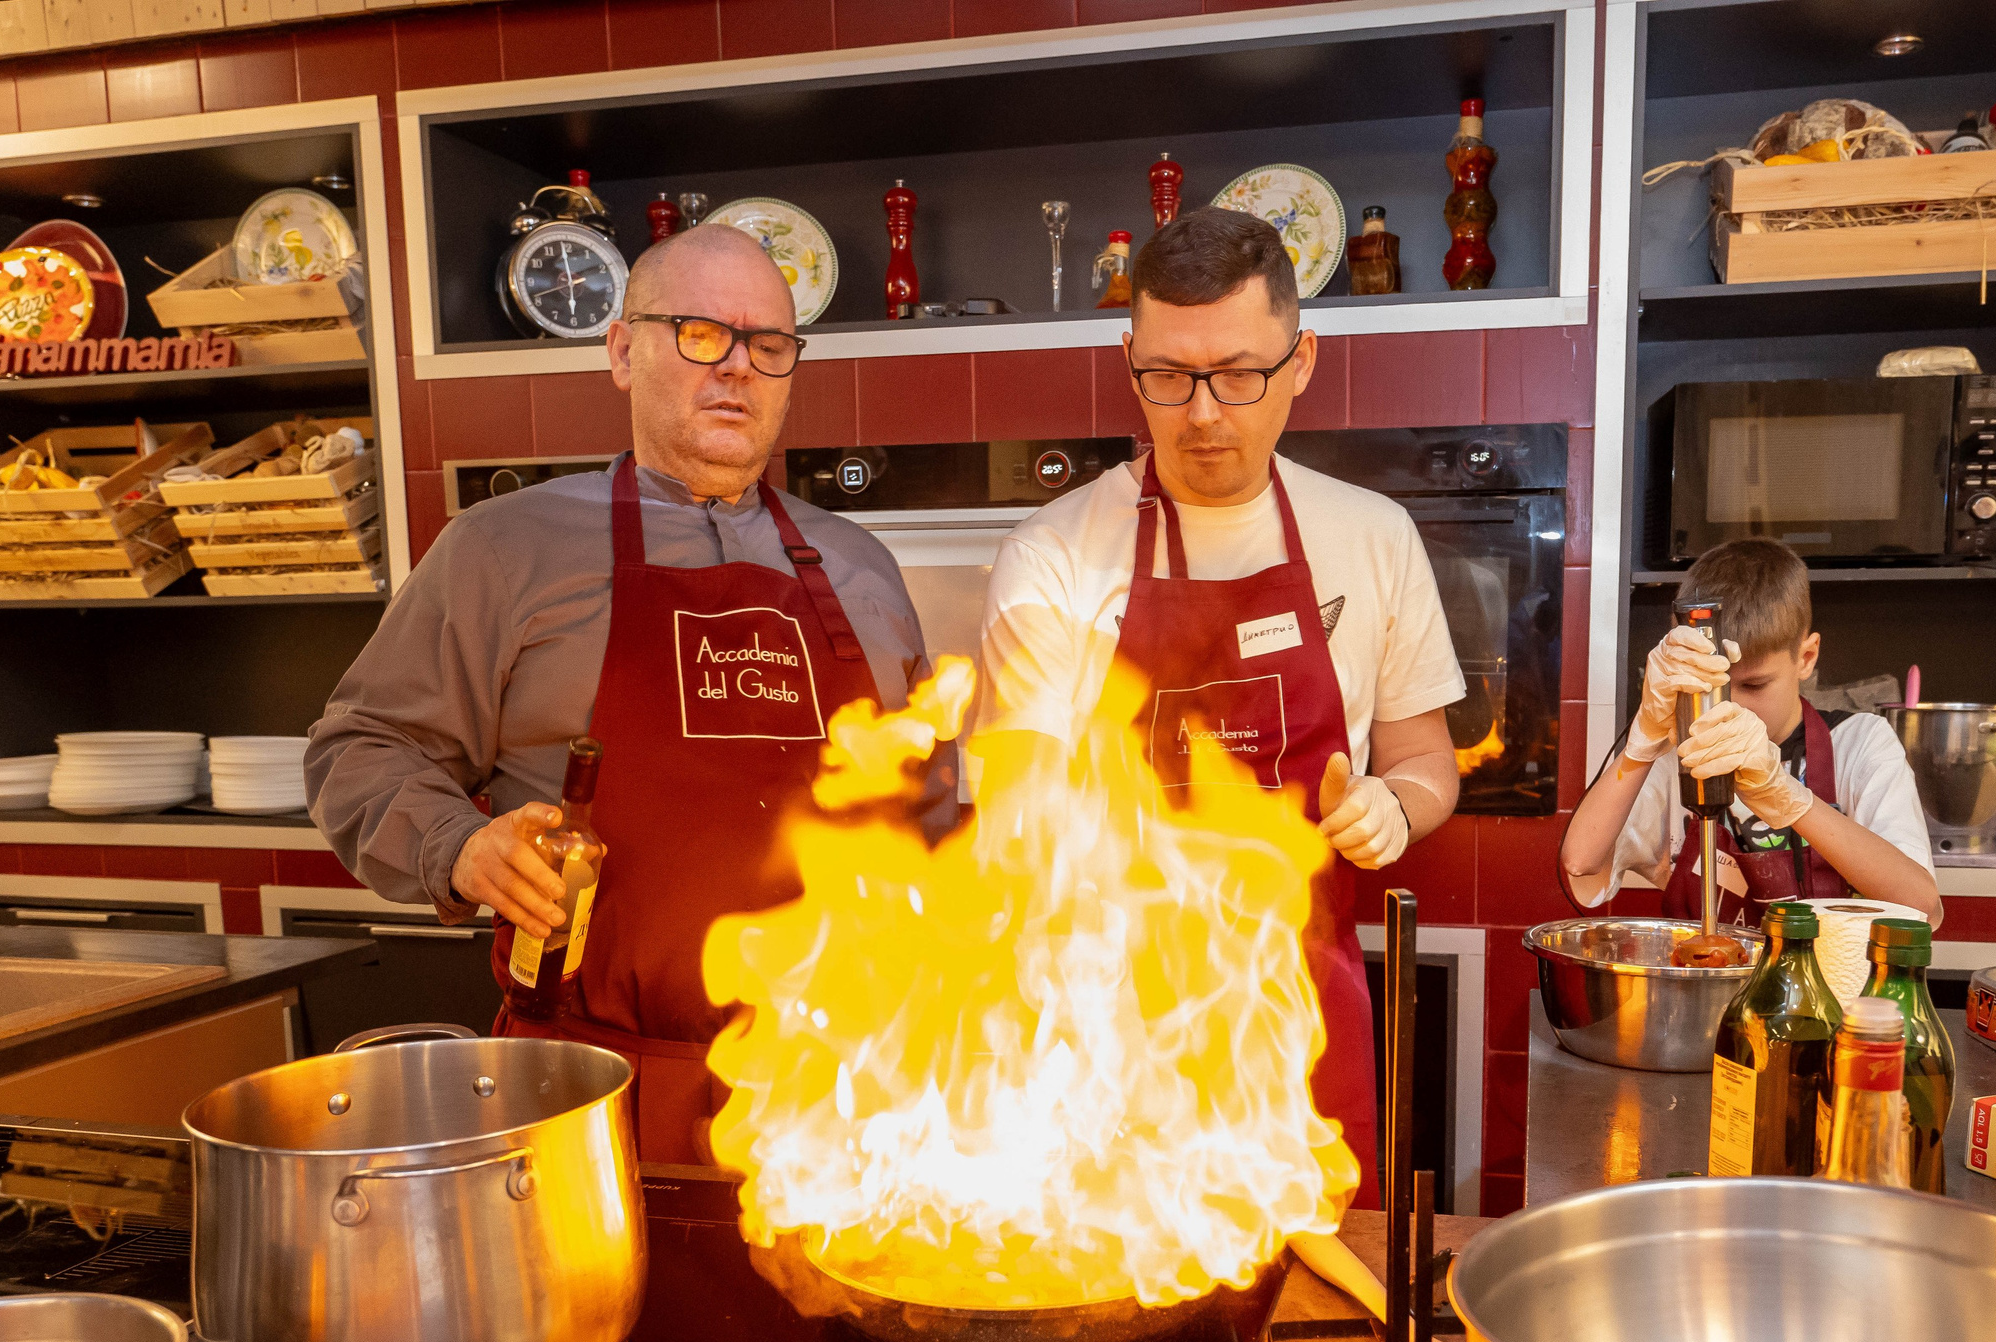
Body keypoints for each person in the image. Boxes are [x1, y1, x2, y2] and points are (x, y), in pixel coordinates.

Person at [305, 225, 942, 1165]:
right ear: (620, 350)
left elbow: (928, 824)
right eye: (698, 333)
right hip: (592, 1102)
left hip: (847, 1104)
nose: (736, 369)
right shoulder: (504, 549)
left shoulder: (863, 569)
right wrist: (460, 847)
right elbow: (358, 750)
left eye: (767, 344)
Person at [972, 206, 1468, 1197]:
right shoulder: (1054, 554)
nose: (1202, 413)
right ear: (1130, 357)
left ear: (1302, 359)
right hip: (1109, 1025)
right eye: (1167, 376)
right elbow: (1016, 804)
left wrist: (1392, 804)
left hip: (1304, 1015)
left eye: (1241, 374)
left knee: (1321, 1331)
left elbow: (1429, 764)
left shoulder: (1371, 537)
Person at [1560, 538, 1940, 924]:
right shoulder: (1676, 756)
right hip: (1705, 979)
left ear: (1806, 658)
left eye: (1754, 685)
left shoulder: (1860, 743)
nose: (1731, 707)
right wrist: (1641, 746)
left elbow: (1922, 907)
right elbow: (1580, 864)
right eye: (1711, 687)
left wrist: (1789, 798)